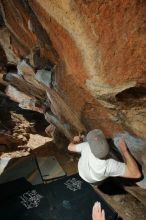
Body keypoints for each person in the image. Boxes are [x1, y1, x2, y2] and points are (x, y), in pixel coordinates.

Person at [68, 129, 141, 184]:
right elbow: (136, 174)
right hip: (93, 179)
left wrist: (75, 140)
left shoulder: (86, 146)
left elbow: (70, 147)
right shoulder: (109, 165)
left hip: (83, 173)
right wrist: (125, 151)